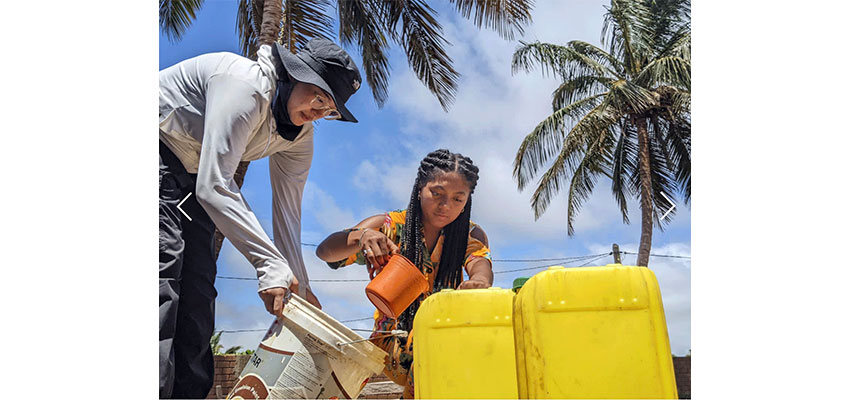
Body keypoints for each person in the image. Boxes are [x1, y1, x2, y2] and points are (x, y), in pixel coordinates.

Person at [159, 38, 362, 398]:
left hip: (193, 177)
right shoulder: (245, 87)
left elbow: (287, 214)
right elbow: (215, 185)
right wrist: (268, 265)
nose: (319, 110)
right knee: (164, 272)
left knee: (199, 294)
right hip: (160, 148)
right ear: (294, 75)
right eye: (317, 96)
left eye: (329, 108)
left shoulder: (300, 138)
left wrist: (300, 288)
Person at [315, 149, 494, 398]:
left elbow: (480, 262)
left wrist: (479, 281)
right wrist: (361, 236)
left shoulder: (469, 235)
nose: (446, 206)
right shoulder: (389, 226)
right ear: (420, 187)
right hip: (392, 342)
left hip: (442, 338)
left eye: (458, 199)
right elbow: (325, 252)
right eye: (437, 193)